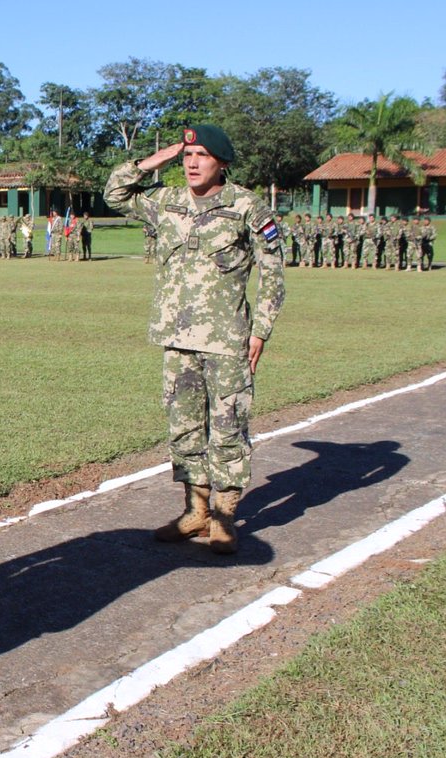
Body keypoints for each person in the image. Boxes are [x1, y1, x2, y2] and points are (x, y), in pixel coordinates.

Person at [104, 124, 284, 554]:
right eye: (187, 155)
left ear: (222, 162)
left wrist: (260, 330)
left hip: (227, 340)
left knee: (227, 429)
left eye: (202, 155)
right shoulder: (166, 202)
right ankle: (195, 512)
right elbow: (114, 195)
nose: (192, 163)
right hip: (177, 338)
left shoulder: (246, 206)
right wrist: (155, 160)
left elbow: (273, 274)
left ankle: (224, 517)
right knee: (184, 429)